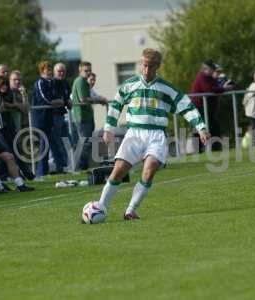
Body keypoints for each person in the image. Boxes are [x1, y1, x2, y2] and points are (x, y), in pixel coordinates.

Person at [90, 48, 210, 222]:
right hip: (134, 133)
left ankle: (130, 210)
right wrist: (108, 128)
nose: (146, 70)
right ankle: (100, 206)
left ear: (158, 66)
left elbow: (187, 106)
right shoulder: (129, 85)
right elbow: (116, 105)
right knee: (118, 171)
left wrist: (201, 127)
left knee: (150, 170)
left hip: (156, 135)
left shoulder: (167, 88)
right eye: (144, 66)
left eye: (151, 67)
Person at [71, 62, 107, 170]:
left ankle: (82, 166)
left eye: (89, 70)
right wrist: (98, 100)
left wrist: (97, 100)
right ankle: (79, 168)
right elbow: (83, 99)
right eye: (86, 70)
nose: (88, 72)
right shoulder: (80, 81)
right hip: (82, 118)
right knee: (84, 144)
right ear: (80, 70)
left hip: (87, 117)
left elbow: (88, 97)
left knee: (86, 143)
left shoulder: (84, 82)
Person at [32, 61, 65, 178]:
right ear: (42, 71)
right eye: (48, 69)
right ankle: (43, 171)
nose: (50, 71)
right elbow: (46, 98)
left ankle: (55, 168)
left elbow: (58, 97)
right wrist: (57, 102)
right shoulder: (40, 82)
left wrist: (60, 101)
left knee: (49, 144)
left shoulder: (51, 83)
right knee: (45, 144)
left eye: (51, 69)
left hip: (48, 118)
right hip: (40, 118)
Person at [190, 59, 225, 151]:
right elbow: (209, 90)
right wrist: (224, 89)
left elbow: (214, 88)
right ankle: (198, 150)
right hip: (199, 107)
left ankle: (216, 148)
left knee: (214, 128)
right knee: (200, 129)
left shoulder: (209, 78)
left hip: (206, 108)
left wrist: (222, 88)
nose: (213, 71)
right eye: (211, 69)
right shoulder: (202, 77)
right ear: (205, 68)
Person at [50, 62, 71, 173]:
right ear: (54, 72)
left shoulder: (66, 83)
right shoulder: (52, 83)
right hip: (53, 116)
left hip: (62, 115)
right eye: (59, 71)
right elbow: (53, 100)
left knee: (67, 141)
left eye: (63, 71)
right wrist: (64, 101)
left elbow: (67, 99)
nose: (61, 73)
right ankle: (56, 166)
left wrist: (68, 101)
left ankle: (64, 166)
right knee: (56, 142)